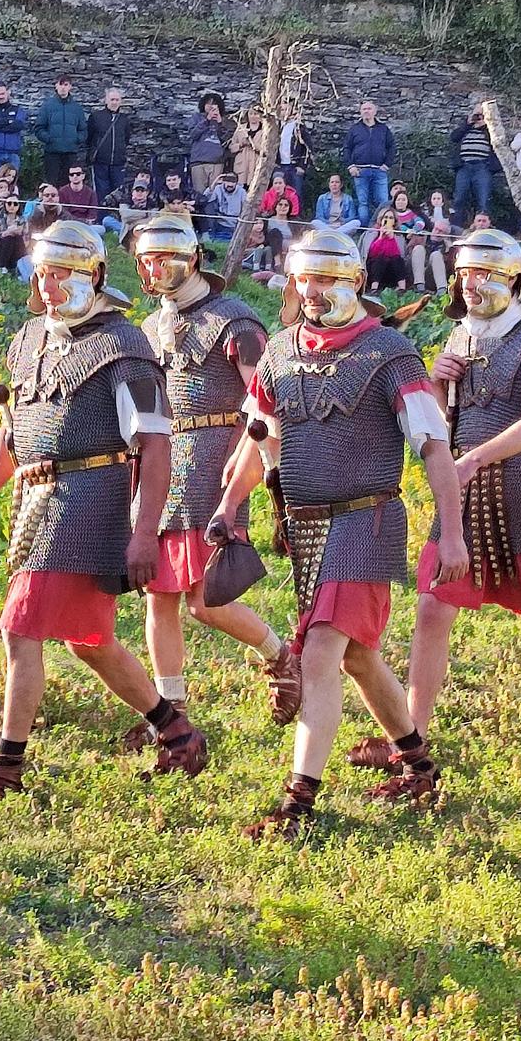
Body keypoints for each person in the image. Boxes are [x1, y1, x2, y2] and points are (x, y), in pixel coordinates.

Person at [205, 227, 469, 837]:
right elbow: (258, 439)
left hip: (365, 520)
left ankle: (298, 803)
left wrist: (451, 534)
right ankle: (419, 763)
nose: (311, 291)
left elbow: (434, 449)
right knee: (357, 656)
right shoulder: (277, 352)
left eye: (324, 278)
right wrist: (229, 504)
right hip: (306, 528)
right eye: (302, 279)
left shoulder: (389, 356)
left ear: (354, 281)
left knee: (321, 652)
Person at [0, 221, 207, 802]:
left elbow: (156, 444)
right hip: (35, 504)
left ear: (94, 274)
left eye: (62, 272)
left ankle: (6, 769)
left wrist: (145, 533)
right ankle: (176, 730)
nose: (50, 284)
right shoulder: (28, 341)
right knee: (88, 641)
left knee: (21, 632)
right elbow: (13, 438)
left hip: (90, 503)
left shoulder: (122, 347)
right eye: (43, 272)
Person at [364, 229, 521, 772]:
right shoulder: (459, 339)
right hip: (462, 486)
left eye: (483, 274)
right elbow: (442, 422)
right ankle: (410, 736)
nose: (471, 285)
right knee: (434, 607)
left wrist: (474, 460)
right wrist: (438, 386)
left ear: (512, 278)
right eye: (463, 275)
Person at [128, 214, 299, 731]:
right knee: (159, 595)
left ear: (193, 258)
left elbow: (267, 402)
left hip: (217, 460)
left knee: (205, 602)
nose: (156, 269)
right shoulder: (150, 326)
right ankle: (170, 711)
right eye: (147, 260)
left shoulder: (236, 321)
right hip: (163, 462)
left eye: (166, 258)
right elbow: (144, 405)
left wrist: (267, 467)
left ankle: (280, 656)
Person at [344, 100, 397, 227]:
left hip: (379, 170)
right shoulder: (354, 129)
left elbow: (392, 147)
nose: (366, 111)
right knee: (363, 203)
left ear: (375, 111)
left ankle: (383, 228)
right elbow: (346, 148)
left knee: (383, 202)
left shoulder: (383, 129)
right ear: (360, 112)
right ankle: (365, 231)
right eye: (364, 109)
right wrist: (351, 166)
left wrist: (387, 164)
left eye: (369, 109)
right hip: (360, 171)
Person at [34, 74, 86, 190]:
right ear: (56, 86)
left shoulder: (77, 108)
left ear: (70, 87)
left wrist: (76, 139)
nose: (63, 87)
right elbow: (38, 128)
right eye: (60, 84)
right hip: (52, 153)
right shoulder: (47, 106)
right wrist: (49, 139)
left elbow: (83, 129)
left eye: (66, 84)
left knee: (68, 186)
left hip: (70, 153)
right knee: (51, 185)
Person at [450, 103, 498, 227]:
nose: (478, 117)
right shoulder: (465, 128)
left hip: (482, 167)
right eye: (476, 114)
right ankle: (456, 228)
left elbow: (496, 141)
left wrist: (486, 126)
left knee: (484, 200)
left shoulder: (490, 129)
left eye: (481, 115)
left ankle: (484, 228)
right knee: (459, 199)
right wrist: (468, 123)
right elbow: (454, 137)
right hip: (464, 167)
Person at [86, 86, 132, 203]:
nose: (114, 102)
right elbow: (90, 137)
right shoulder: (96, 117)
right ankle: (101, 219)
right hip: (100, 162)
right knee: (101, 193)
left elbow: (126, 138)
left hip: (118, 162)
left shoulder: (124, 119)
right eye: (112, 99)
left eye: (117, 100)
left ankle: (116, 218)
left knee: (118, 193)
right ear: (106, 101)